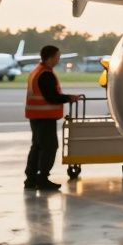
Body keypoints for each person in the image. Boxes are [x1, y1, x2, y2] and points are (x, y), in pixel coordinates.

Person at [24, 45, 83, 191]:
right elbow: (52, 97)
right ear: (50, 57)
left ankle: (31, 179)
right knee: (49, 147)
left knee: (37, 147)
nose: (59, 59)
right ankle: (42, 179)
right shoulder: (46, 74)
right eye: (58, 56)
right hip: (44, 117)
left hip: (36, 116)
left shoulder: (37, 71)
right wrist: (70, 98)